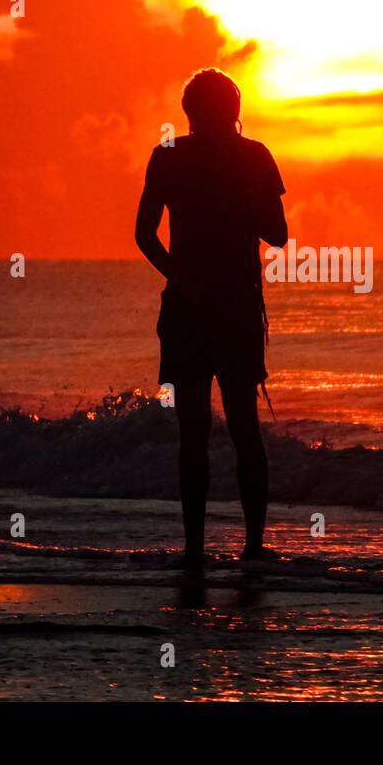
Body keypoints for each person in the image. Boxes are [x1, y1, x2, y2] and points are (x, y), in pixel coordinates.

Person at [135, 69, 288, 570]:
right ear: (232, 108)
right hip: (234, 309)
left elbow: (143, 235)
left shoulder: (168, 156)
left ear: (191, 112)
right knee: (243, 425)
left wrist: (180, 276)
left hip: (188, 309)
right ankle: (251, 547)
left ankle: (198, 549)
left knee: (195, 431)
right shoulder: (254, 155)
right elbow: (280, 235)